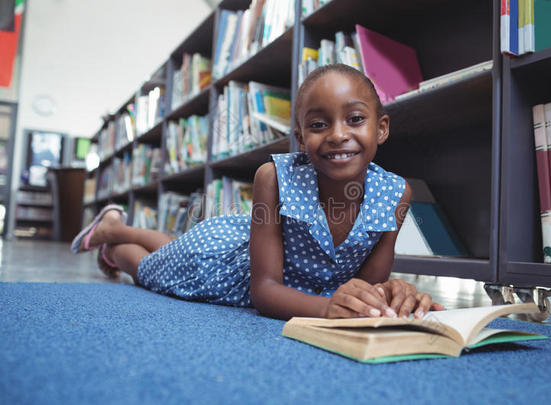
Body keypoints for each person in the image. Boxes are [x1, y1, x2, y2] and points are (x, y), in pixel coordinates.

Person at [72, 64, 444, 320]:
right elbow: (264, 290)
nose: (337, 134)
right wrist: (328, 308)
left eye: (356, 119)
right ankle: (113, 241)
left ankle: (116, 226)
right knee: (148, 270)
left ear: (381, 129)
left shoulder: (396, 194)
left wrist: (391, 297)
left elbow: (369, 286)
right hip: (220, 263)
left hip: (252, 254)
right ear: (300, 139)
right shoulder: (274, 177)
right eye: (318, 124)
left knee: (169, 245)